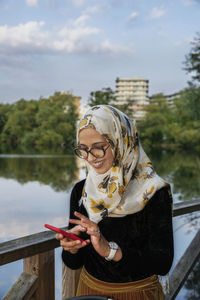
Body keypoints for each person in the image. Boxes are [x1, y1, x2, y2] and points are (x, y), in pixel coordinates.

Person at [56, 105, 174, 300]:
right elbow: (74, 263)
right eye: (83, 149)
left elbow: (162, 263)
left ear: (121, 141)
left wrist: (111, 251)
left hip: (138, 293)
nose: (90, 157)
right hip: (88, 291)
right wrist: (71, 248)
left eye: (99, 147)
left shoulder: (153, 192)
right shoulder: (82, 191)